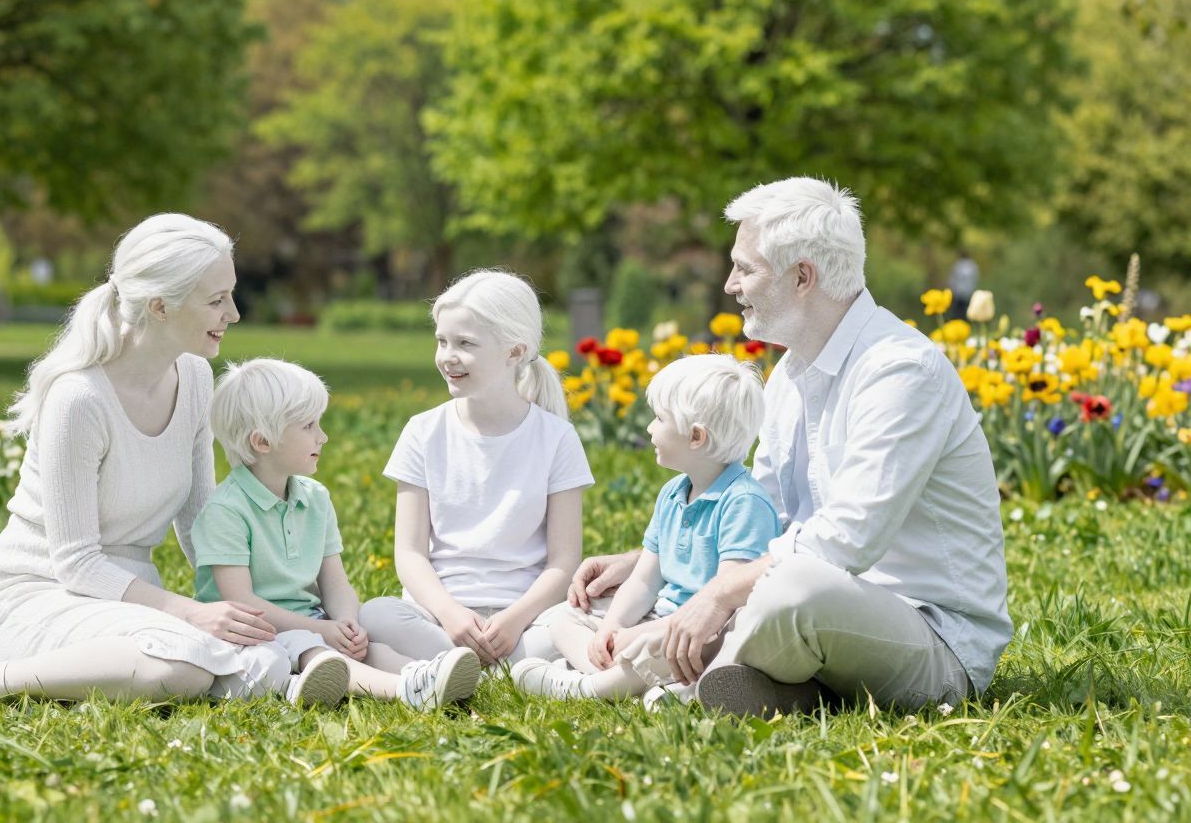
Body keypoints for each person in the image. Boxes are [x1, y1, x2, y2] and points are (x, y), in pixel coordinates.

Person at [570, 178, 1011, 715]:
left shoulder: (899, 370)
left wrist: (716, 596)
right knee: (648, 599)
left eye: (745, 268)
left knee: (791, 587)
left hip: (934, 639)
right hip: (814, 612)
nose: (731, 284)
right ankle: (774, 689)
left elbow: (847, 542)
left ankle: (670, 673)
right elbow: (759, 520)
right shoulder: (789, 373)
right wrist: (656, 561)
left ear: (803, 276)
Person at [0, 214, 332, 709]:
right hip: (39, 596)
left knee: (217, 655)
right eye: (216, 300)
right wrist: (192, 614)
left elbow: (200, 521)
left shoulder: (194, 377)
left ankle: (203, 668)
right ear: (160, 306)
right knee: (181, 666)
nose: (232, 313)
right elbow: (77, 563)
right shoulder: (79, 399)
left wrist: (258, 606)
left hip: (131, 601)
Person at [192, 358, 482, 708]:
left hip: (312, 625)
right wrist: (321, 631)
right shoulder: (226, 511)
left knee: (369, 648)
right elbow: (244, 605)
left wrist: (345, 622)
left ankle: (428, 675)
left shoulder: (315, 498)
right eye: (309, 426)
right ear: (263, 441)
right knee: (314, 650)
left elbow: (335, 583)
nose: (323, 436)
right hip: (252, 636)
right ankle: (406, 690)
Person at [360, 269, 595, 667]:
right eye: (442, 341)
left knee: (580, 619)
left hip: (525, 618)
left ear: (514, 352)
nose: (447, 356)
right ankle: (499, 667)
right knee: (375, 615)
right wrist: (451, 615)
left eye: (465, 343)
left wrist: (515, 620)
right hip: (438, 615)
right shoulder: (423, 431)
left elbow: (563, 561)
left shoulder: (556, 438)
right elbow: (410, 553)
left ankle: (452, 666)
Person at [512, 355, 778, 700]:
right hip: (658, 617)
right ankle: (619, 676)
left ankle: (587, 687)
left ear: (696, 436)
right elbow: (643, 580)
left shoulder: (743, 503)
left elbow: (726, 603)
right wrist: (612, 627)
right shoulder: (673, 493)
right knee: (565, 617)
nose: (650, 428)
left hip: (700, 631)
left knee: (657, 647)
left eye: (660, 419)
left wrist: (639, 634)